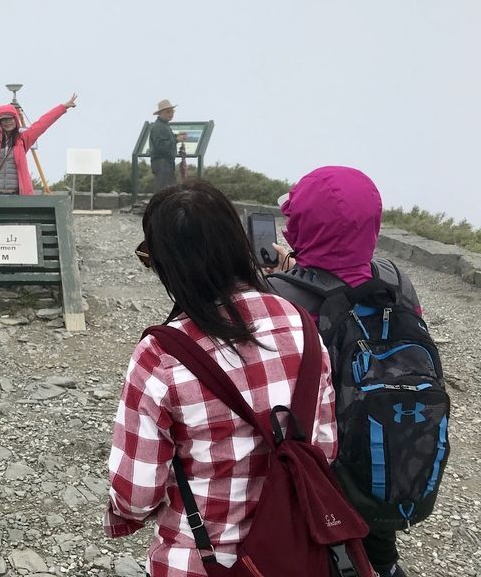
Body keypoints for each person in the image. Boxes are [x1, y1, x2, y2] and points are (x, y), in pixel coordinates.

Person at [105, 181, 337, 577]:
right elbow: (325, 448)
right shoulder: (300, 323)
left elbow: (136, 495)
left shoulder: (162, 354)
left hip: (199, 562)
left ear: (168, 264)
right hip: (297, 555)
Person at [268, 166, 420, 577]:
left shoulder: (280, 297)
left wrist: (276, 278)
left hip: (315, 465)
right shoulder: (396, 284)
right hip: (384, 448)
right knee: (377, 548)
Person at [149, 99, 181, 192]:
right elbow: (161, 146)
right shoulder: (158, 126)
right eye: (168, 111)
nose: (171, 114)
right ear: (160, 113)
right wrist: (176, 139)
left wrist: (176, 137)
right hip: (162, 162)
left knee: (169, 190)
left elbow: (166, 140)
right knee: (163, 191)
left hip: (166, 162)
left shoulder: (164, 125)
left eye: (172, 111)